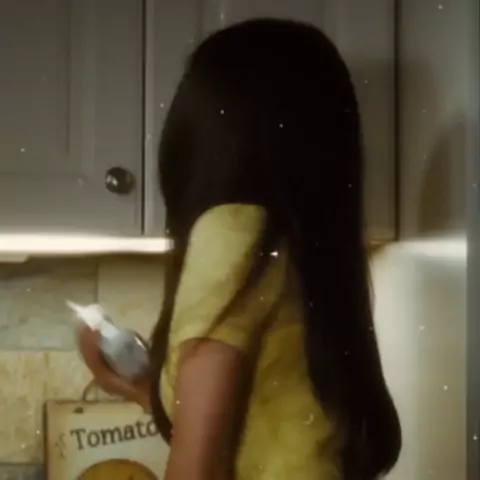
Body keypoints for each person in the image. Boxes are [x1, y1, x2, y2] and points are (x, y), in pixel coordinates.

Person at [78, 18, 402, 480]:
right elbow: (253, 425)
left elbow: (198, 470)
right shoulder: (300, 246)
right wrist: (139, 388)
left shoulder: (234, 232)